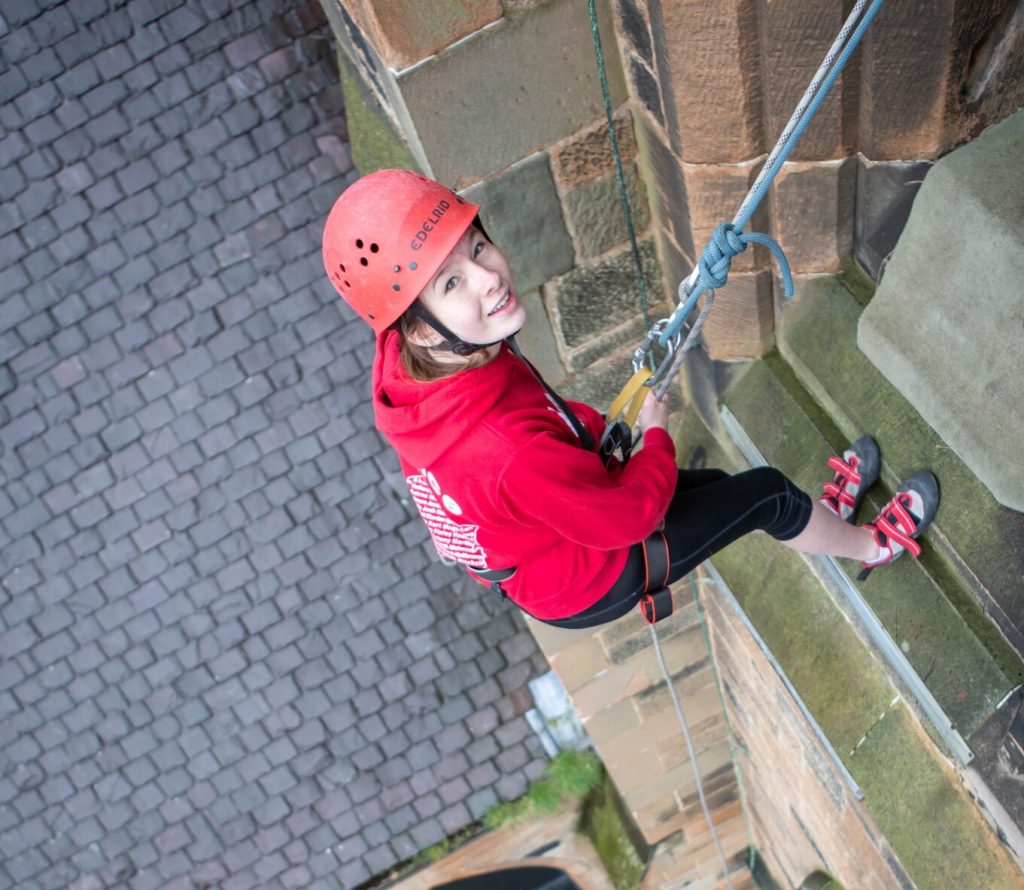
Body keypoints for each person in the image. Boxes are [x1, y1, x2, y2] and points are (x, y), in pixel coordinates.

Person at [322, 169, 939, 628]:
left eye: (477, 248)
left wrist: (597, 440)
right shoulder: (498, 448)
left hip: (554, 544)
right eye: (451, 283)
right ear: (421, 326)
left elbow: (540, 430)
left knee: (731, 486)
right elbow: (629, 517)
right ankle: (873, 547)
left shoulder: (423, 371)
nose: (489, 280)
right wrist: (656, 434)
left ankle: (824, 524)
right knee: (765, 494)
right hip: (591, 573)